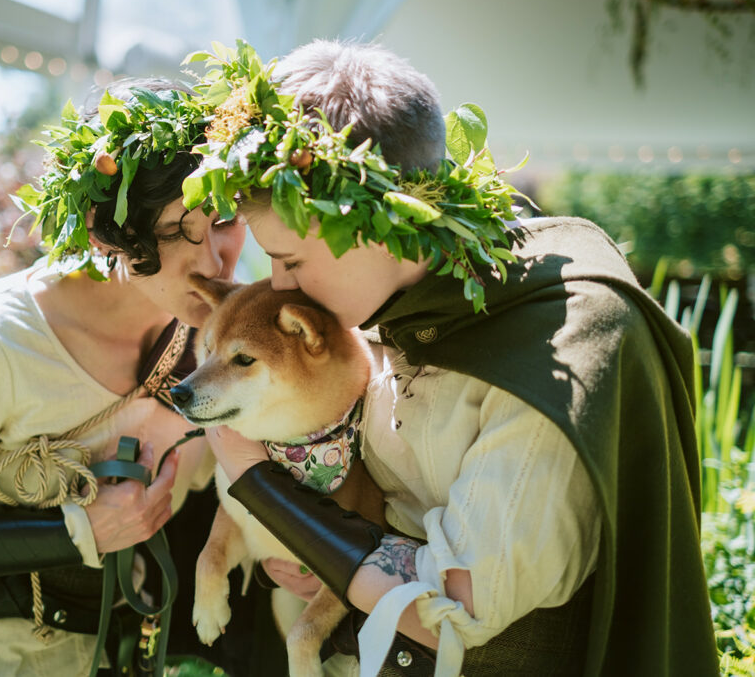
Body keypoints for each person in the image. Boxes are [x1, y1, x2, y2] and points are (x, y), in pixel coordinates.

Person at [197, 40, 719, 676]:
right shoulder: (380, 307)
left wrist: (263, 486)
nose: (278, 285)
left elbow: (451, 608)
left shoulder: (562, 343)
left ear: (378, 220)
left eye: (292, 260)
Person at [0, 77, 248, 676]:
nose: (217, 260)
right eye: (175, 233)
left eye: (228, 220)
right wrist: (79, 529)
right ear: (107, 230)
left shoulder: (228, 349)